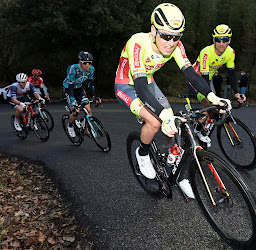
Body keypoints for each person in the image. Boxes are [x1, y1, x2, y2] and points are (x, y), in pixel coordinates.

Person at [114, 3, 231, 181]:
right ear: (153, 31)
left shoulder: (176, 46)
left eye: (176, 37)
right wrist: (162, 115)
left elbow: (191, 74)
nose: (171, 43)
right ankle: (142, 152)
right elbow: (139, 87)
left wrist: (213, 97)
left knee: (173, 123)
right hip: (127, 85)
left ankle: (172, 161)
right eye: (166, 36)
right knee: (155, 122)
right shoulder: (137, 42)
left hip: (149, 82)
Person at [188, 24, 245, 104]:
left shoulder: (230, 52)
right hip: (196, 79)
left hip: (208, 80)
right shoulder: (206, 52)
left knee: (216, 106)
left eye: (225, 40)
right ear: (214, 40)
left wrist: (237, 93)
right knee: (208, 104)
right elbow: (204, 77)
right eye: (218, 40)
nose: (221, 44)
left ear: (229, 40)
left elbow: (231, 74)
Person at [63, 51, 101, 137]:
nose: (88, 65)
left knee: (88, 109)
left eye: (89, 63)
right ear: (80, 62)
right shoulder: (73, 69)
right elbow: (70, 86)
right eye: (85, 63)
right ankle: (70, 125)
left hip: (79, 89)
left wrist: (94, 96)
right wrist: (72, 101)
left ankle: (88, 126)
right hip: (69, 89)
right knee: (76, 112)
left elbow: (90, 84)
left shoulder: (91, 70)